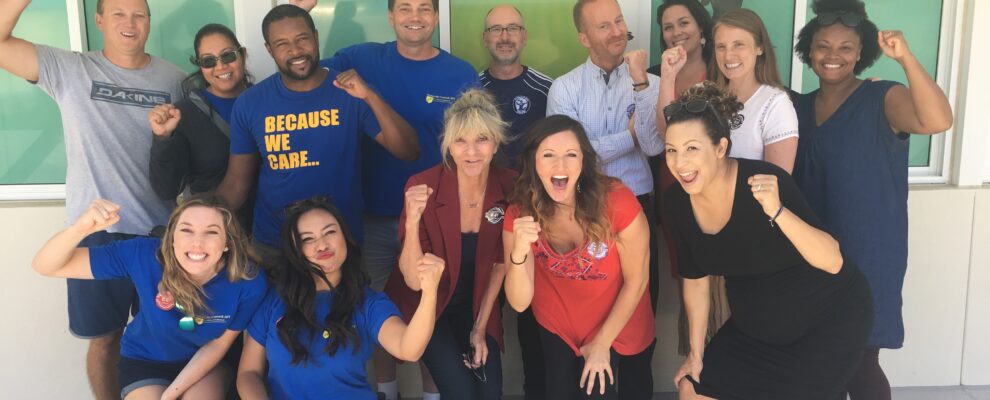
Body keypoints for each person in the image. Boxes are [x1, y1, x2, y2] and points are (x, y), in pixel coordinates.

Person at [0, 0, 184, 398]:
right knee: (104, 340)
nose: (130, 23)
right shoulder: (69, 69)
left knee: (168, 338)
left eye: (139, 14)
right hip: (97, 233)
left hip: (162, 236)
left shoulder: (174, 79)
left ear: (150, 22)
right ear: (98, 20)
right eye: (118, 13)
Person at [296, 1, 478, 398]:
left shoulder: (460, 73)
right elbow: (302, 61)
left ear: (435, 16)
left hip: (437, 220)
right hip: (375, 218)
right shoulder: (360, 59)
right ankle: (387, 391)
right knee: (375, 309)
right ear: (391, 17)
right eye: (405, 8)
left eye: (425, 8)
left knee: (436, 310)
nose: (415, 16)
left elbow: (477, 144)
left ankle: (433, 395)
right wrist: (297, 8)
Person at [662, 82, 873, 400]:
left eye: (692, 148)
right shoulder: (676, 202)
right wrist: (695, 353)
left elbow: (832, 261)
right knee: (692, 390)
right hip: (755, 328)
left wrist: (777, 210)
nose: (680, 163)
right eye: (671, 150)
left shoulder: (763, 183)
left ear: (720, 148)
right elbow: (695, 281)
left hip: (826, 320)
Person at [792, 1, 953, 398]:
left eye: (845, 47)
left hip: (869, 255)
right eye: (823, 46)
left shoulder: (884, 98)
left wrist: (906, 58)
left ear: (861, 52)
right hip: (810, 253)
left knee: (860, 359)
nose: (833, 56)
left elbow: (938, 121)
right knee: (819, 359)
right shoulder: (795, 107)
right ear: (808, 52)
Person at [215, 5, 419, 256]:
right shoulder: (250, 102)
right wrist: (194, 221)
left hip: (340, 243)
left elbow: (408, 151)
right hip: (276, 246)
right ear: (269, 49)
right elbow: (237, 184)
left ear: (316, 37)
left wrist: (370, 97)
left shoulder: (350, 93)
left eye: (302, 39)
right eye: (282, 44)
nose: (295, 50)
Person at [31, 195, 268, 400]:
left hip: (208, 364)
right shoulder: (142, 254)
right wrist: (80, 229)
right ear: (172, 237)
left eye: (212, 232)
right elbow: (45, 266)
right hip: (146, 359)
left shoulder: (248, 281)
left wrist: (172, 393)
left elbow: (218, 345)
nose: (197, 242)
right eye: (186, 230)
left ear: (227, 242)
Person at [504, 115, 655, 400]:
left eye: (570, 155)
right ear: (533, 161)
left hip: (616, 325)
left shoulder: (617, 201)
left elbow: (638, 281)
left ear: (583, 161)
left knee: (600, 392)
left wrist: (601, 344)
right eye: (548, 155)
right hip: (559, 326)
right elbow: (519, 301)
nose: (560, 166)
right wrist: (519, 253)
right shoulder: (519, 213)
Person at [237, 197, 443, 400]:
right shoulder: (275, 300)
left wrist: (430, 292)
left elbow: (408, 349)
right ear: (296, 250)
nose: (322, 245)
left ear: (345, 237)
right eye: (308, 239)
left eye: (330, 232)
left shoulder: (367, 303)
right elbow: (248, 373)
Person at [384, 90, 515, 399]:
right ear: (448, 147)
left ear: (495, 143)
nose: (471, 151)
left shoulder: (510, 185)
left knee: (489, 392)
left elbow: (501, 263)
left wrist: (480, 328)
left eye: (482, 139)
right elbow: (413, 279)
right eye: (460, 141)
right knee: (460, 393)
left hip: (477, 306)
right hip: (430, 307)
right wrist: (413, 221)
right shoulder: (423, 186)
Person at [548, 0, 664, 322]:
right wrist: (630, 138)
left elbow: (654, 146)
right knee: (588, 310)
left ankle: (638, 373)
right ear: (584, 38)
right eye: (604, 26)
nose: (617, 32)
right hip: (581, 207)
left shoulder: (651, 84)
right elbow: (570, 161)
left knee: (641, 305)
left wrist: (641, 84)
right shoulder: (564, 88)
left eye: (619, 21)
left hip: (637, 206)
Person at [648, 0, 718, 356]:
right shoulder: (655, 75)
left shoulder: (723, 70)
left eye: (684, 22)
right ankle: (695, 361)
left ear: (702, 28)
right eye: (668, 26)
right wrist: (669, 76)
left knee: (724, 276)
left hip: (718, 190)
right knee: (689, 274)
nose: (677, 32)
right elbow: (660, 135)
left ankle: (726, 363)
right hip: (674, 188)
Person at [148, 23, 255, 229]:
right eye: (208, 61)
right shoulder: (184, 113)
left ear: (242, 54)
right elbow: (166, 189)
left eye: (228, 56)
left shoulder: (266, 102)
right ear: (200, 66)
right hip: (215, 234)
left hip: (270, 231)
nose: (220, 66)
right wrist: (163, 138)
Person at [709, 8, 798, 173]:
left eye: (738, 45)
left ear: (760, 48)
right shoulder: (707, 96)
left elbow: (778, 182)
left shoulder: (775, 103)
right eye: (721, 46)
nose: (728, 56)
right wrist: (669, 77)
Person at [479, 4, 553, 169]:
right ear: (485, 38)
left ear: (524, 37)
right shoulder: (473, 90)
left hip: (533, 191)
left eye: (513, 28)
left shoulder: (548, 89)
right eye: (496, 29)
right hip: (487, 191)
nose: (505, 37)